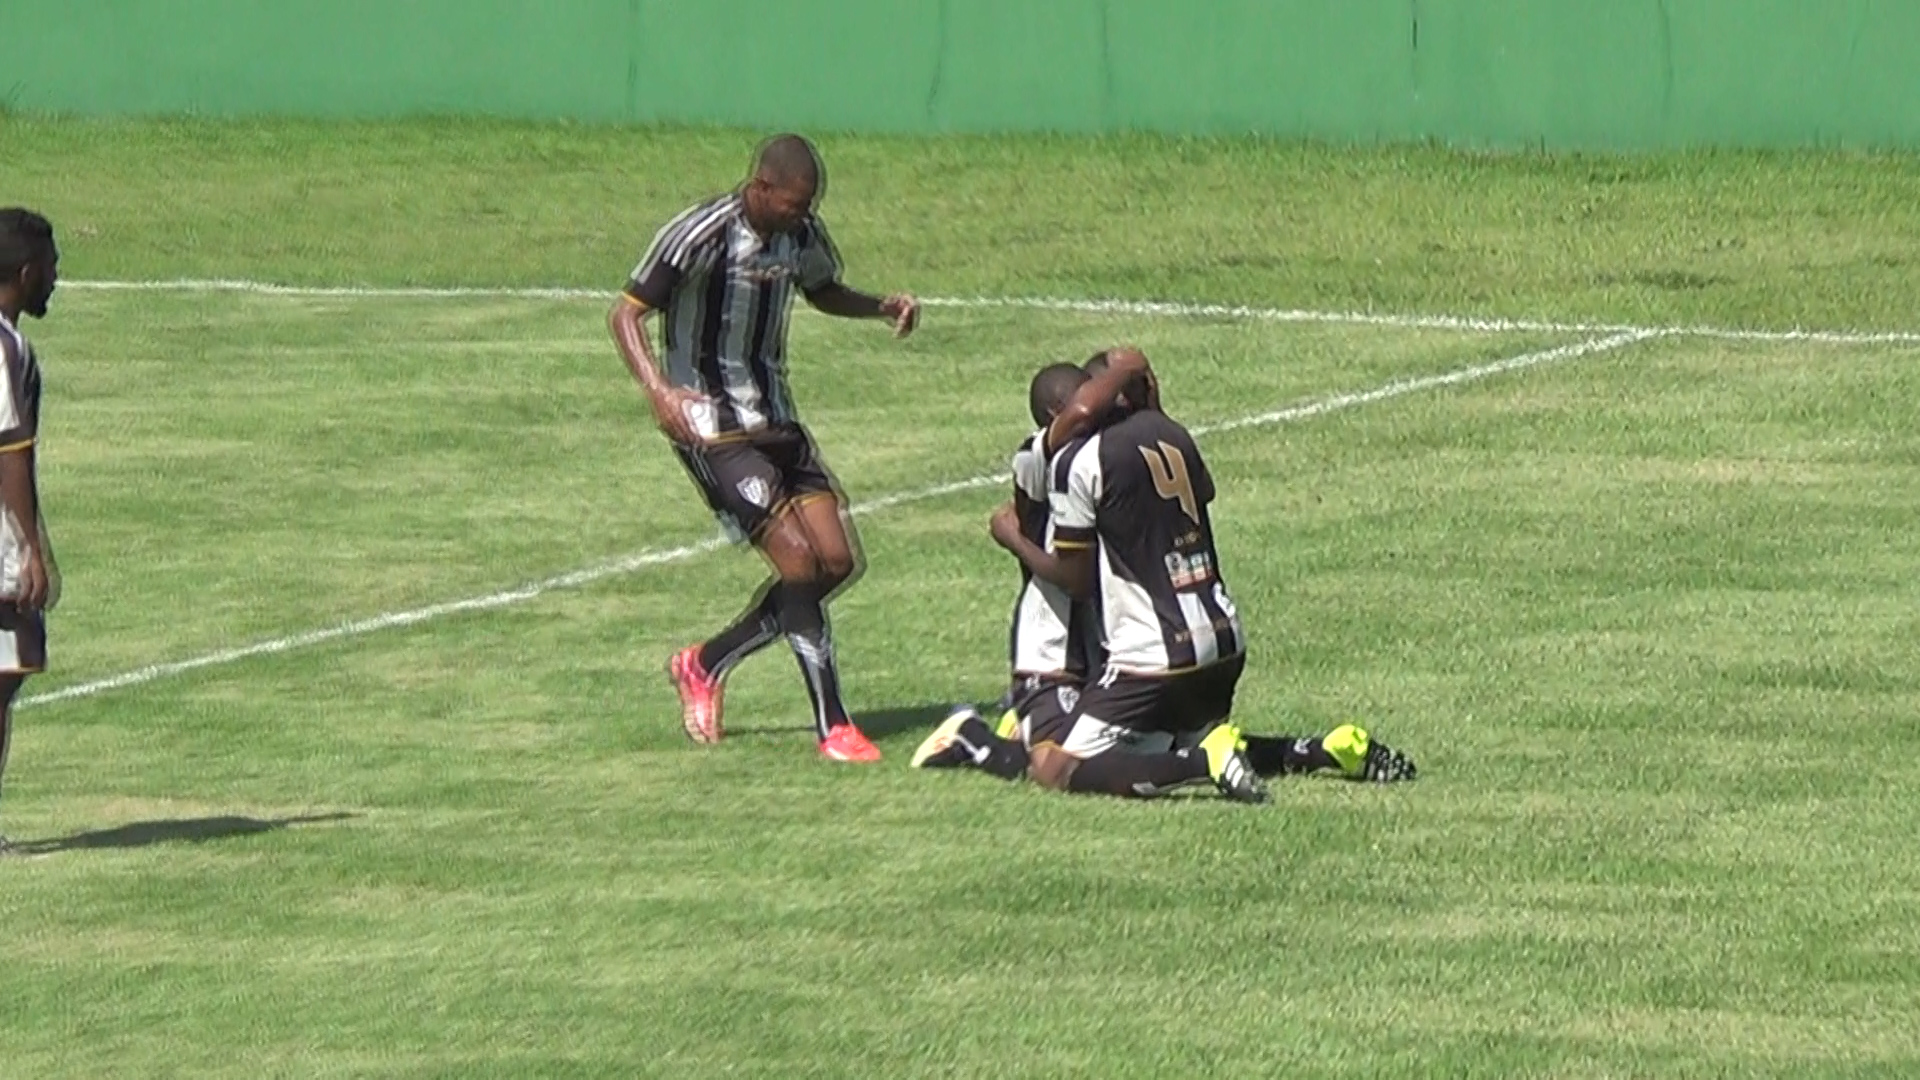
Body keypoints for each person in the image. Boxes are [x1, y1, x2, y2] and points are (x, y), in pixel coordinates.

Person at [914, 349, 1416, 799]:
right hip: (1217, 640)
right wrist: (1146, 392)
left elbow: (1075, 577)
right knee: (1170, 738)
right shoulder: (1164, 434)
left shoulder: (1068, 458)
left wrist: (1007, 534)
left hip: (1098, 654)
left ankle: (971, 734)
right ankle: (1315, 751)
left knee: (1051, 763)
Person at [608, 134, 919, 763]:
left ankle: (707, 662)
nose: (800, 217)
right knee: (798, 563)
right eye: (792, 205)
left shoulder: (799, 236)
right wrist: (660, 392)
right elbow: (625, 314)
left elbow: (824, 289)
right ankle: (834, 725)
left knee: (836, 562)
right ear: (761, 187)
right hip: (713, 428)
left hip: (777, 417)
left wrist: (879, 306)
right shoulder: (699, 234)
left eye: (809, 207)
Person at [0, 208, 58, 854]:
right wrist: (29, 545)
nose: (56, 277)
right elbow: (10, 446)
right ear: (23, 273)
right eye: (49, 267)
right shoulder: (3, 346)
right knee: (7, 667)